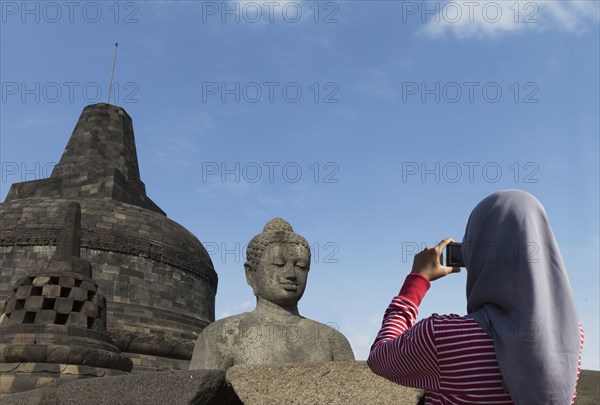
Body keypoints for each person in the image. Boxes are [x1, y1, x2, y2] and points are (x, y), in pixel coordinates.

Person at [367, 190, 584, 404]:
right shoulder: (572, 333)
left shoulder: (442, 336)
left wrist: (417, 280)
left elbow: (379, 358)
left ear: (474, 255)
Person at [190, 218, 354, 369]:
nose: (291, 274)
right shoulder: (223, 335)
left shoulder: (333, 340)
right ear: (250, 274)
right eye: (278, 264)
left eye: (301, 266)